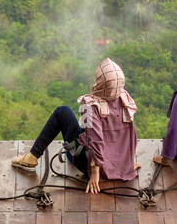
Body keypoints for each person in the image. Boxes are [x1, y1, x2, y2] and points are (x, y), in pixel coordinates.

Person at [11, 58, 139, 194]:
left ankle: (32, 157)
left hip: (90, 164)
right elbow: (131, 135)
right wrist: (126, 164)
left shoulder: (89, 105)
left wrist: (95, 172)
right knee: (89, 126)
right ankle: (115, 164)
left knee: (63, 112)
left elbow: (96, 140)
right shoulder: (125, 99)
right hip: (119, 165)